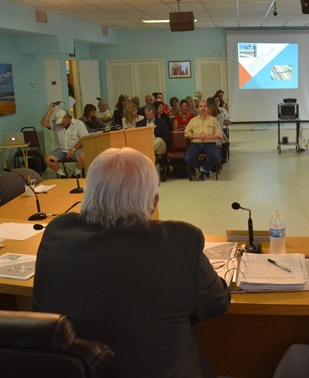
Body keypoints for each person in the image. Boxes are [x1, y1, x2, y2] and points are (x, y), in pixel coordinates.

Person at [32, 147, 231, 378]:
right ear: (153, 203)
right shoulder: (181, 242)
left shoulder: (57, 232)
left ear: (88, 194)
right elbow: (218, 302)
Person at [41, 103, 88, 178]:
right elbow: (44, 123)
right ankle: (63, 175)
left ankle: (76, 175)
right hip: (61, 150)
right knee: (47, 159)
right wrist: (50, 110)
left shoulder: (79, 124)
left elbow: (84, 139)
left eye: (61, 121)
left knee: (83, 157)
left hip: (76, 150)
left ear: (66, 117)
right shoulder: (57, 124)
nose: (60, 124)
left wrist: (73, 150)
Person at [184, 100, 223, 181]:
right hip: (196, 144)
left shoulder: (213, 120)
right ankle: (206, 169)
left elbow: (219, 135)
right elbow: (186, 134)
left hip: (210, 143)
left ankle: (202, 169)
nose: (203, 108)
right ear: (198, 108)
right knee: (188, 157)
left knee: (216, 155)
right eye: (201, 106)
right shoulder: (193, 120)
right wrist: (196, 135)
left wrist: (208, 136)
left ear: (207, 108)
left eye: (204, 106)